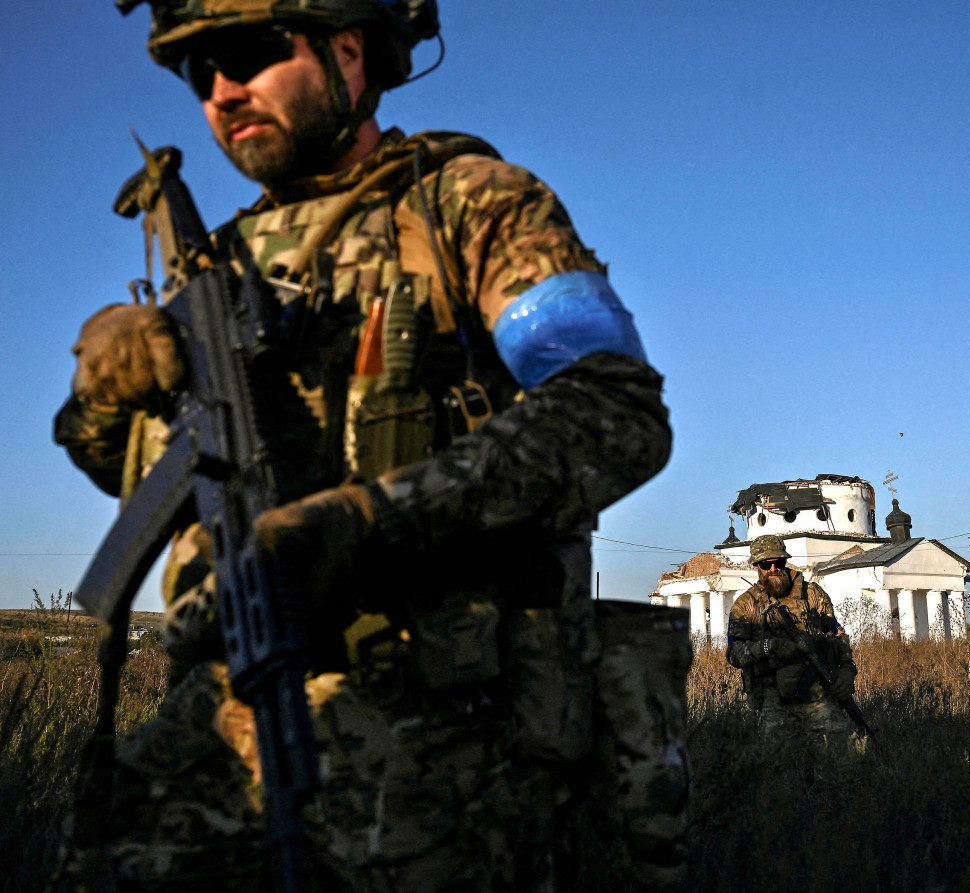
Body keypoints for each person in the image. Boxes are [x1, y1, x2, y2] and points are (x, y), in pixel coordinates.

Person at [52, 1, 681, 890]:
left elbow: (615, 411)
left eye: (247, 54)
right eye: (198, 73)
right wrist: (105, 394)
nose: (223, 91)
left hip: (440, 751)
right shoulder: (215, 266)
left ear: (347, 52)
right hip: (219, 728)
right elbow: (136, 478)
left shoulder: (470, 205)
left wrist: (369, 522)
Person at [726, 535, 858, 737]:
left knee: (840, 752)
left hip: (819, 694)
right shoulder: (746, 605)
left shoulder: (812, 594)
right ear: (756, 566)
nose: (773, 569)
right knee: (781, 762)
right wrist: (768, 647)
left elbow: (837, 636)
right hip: (773, 698)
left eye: (778, 562)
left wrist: (848, 670)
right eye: (765, 564)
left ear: (785, 562)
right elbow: (733, 653)